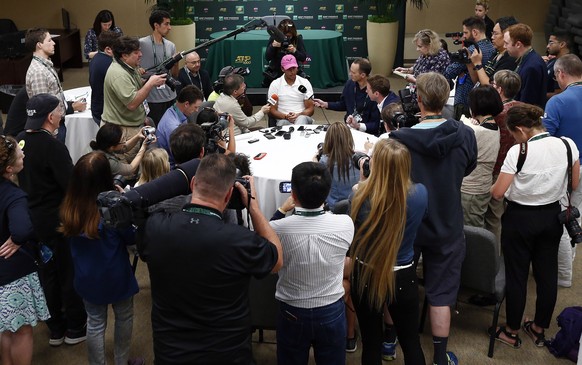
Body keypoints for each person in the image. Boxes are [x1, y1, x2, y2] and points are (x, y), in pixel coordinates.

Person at [138, 153, 283, 364]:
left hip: (171, 354)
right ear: (229, 196)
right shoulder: (239, 241)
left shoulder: (155, 227)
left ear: (194, 183)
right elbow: (277, 259)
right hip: (227, 354)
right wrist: (254, 208)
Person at [390, 72, 478, 365]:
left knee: (396, 284)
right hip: (448, 223)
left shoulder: (398, 140)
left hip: (407, 225)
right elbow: (467, 168)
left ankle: (390, 342)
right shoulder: (465, 134)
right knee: (442, 292)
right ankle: (440, 357)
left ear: (418, 100)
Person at [490, 104, 580, 349]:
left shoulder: (518, 152)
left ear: (520, 129)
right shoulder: (567, 144)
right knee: (546, 274)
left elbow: (498, 194)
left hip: (520, 218)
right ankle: (539, 328)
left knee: (517, 275)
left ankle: (511, 331)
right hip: (552, 216)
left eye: (514, 134)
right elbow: (574, 182)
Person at [60, 152, 143, 365]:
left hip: (86, 278)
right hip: (117, 276)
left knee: (95, 323)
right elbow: (131, 238)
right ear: (106, 177)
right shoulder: (112, 211)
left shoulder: (69, 207)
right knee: (124, 317)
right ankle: (121, 360)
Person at [17, 94, 87, 347]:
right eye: (60, 112)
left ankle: (55, 327)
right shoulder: (53, 146)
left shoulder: (21, 141)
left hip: (33, 219)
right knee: (67, 271)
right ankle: (76, 326)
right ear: (50, 117)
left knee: (47, 273)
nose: (62, 115)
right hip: (57, 220)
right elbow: (71, 186)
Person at [349, 138, 427, 365]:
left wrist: (362, 182)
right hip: (403, 272)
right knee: (411, 342)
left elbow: (354, 232)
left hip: (365, 273)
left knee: (371, 343)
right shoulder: (420, 194)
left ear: (375, 165)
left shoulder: (358, 196)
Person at [269, 161, 353, 365]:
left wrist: (281, 210)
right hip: (331, 310)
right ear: (327, 193)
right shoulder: (345, 224)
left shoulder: (277, 228)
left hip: (292, 311)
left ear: (294, 195)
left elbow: (266, 241)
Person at [0, 134, 50, 365]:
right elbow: (21, 229)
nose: (24, 154)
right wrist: (18, 239)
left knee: (4, 331)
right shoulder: (13, 195)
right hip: (12, 276)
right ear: (10, 168)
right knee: (20, 331)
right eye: (20, 154)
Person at [543, 54, 582, 288]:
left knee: (562, 221)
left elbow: (546, 138)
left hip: (567, 169)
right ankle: (570, 262)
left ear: (560, 74)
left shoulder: (557, 102)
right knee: (577, 216)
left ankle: (564, 276)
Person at [101, 35, 166, 162]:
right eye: (136, 52)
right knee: (128, 170)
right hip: (123, 132)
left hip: (132, 125)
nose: (141, 54)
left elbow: (134, 88)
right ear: (124, 56)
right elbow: (132, 103)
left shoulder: (130, 67)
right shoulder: (119, 74)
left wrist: (148, 81)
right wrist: (150, 84)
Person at [25, 28, 87, 142]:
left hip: (57, 123)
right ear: (39, 45)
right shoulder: (38, 72)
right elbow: (43, 110)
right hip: (52, 132)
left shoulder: (45, 64)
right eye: (49, 40)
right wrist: (53, 136)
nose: (53, 43)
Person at [484, 70, 523, 242]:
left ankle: (493, 255)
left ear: (499, 90)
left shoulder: (495, 115)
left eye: (493, 84)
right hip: (521, 167)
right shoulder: (524, 108)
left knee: (494, 216)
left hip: (498, 170)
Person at [460, 85, 504, 227]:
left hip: (470, 191)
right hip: (482, 187)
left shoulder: (475, 131)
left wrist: (468, 123)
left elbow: (463, 127)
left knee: (471, 234)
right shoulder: (494, 127)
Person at [443, 17, 495, 120]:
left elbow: (449, 72)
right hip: (481, 101)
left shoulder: (471, 50)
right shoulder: (491, 47)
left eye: (466, 33)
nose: (464, 36)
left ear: (475, 32)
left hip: (465, 99)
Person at [314, 58, 379, 130]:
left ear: (363, 75)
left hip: (366, 130)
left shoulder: (374, 91)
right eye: (350, 71)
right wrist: (326, 104)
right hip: (349, 126)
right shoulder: (350, 84)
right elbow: (344, 104)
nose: (350, 74)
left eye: (353, 73)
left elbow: (376, 123)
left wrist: (359, 126)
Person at [139, 10, 179, 126]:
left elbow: (175, 75)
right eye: (166, 24)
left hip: (170, 96)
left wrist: (176, 62)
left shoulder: (171, 45)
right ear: (156, 25)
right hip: (152, 99)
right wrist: (138, 70)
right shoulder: (141, 44)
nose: (169, 27)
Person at [316, 123, 360, 210]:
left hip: (335, 207)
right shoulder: (358, 159)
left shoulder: (325, 161)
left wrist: (315, 159)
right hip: (357, 204)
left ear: (328, 139)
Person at [156, 85, 203, 164]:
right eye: (195, 107)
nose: (197, 110)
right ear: (186, 104)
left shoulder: (174, 110)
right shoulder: (172, 127)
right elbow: (182, 158)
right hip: (172, 166)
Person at [503, 23, 547, 107]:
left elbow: (526, 103)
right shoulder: (530, 59)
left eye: (506, 43)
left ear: (518, 44)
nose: (504, 46)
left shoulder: (531, 67)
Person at [468, 16, 518, 86]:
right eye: (492, 33)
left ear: (507, 35)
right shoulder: (496, 53)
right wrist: (470, 64)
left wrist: (478, 63)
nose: (492, 37)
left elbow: (490, 87)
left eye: (496, 34)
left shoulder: (510, 58)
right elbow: (478, 82)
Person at [268, 54, 315, 126]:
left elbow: (310, 109)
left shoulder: (305, 83)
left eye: (294, 68)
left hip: (302, 118)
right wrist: (286, 116)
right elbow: (272, 110)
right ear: (282, 69)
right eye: (289, 69)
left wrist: (298, 115)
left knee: (301, 119)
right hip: (283, 119)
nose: (292, 71)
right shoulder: (275, 84)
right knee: (282, 123)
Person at [89, 30, 121, 125]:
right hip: (107, 113)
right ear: (108, 49)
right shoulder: (110, 65)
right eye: (118, 48)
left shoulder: (96, 58)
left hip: (97, 108)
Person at [263, 18, 307, 86]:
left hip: (293, 74)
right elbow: (267, 57)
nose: (286, 38)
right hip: (276, 72)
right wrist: (272, 46)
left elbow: (303, 57)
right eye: (283, 36)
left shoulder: (297, 38)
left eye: (289, 36)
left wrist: (295, 51)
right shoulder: (274, 38)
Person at [545, 30, 573, 100]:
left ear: (562, 44)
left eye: (551, 42)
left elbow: (559, 94)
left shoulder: (566, 65)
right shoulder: (552, 61)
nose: (547, 46)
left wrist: (538, 94)